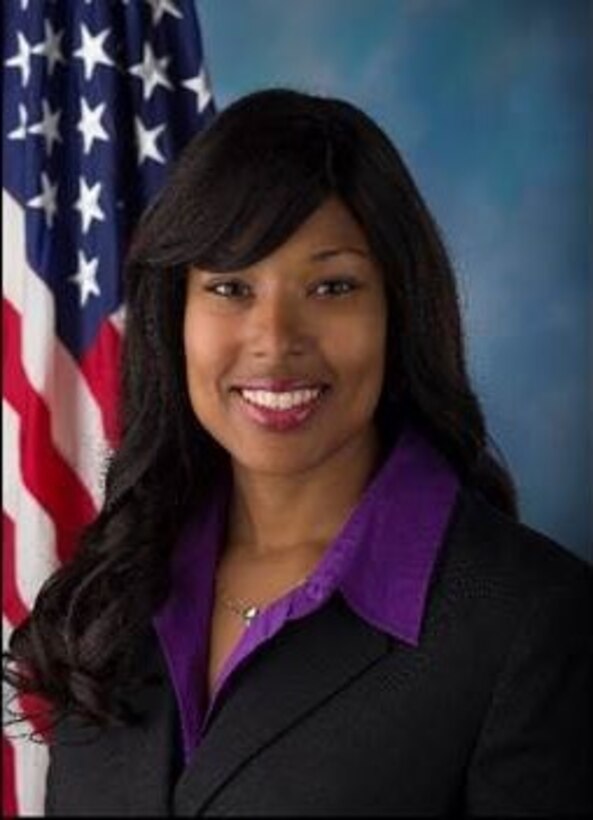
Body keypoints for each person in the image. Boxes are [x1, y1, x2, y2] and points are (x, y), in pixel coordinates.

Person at [4, 88, 591, 817]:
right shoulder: (109, 598)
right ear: (173, 316)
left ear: (397, 311)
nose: (275, 339)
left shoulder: (532, 626)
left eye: (331, 285)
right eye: (229, 286)